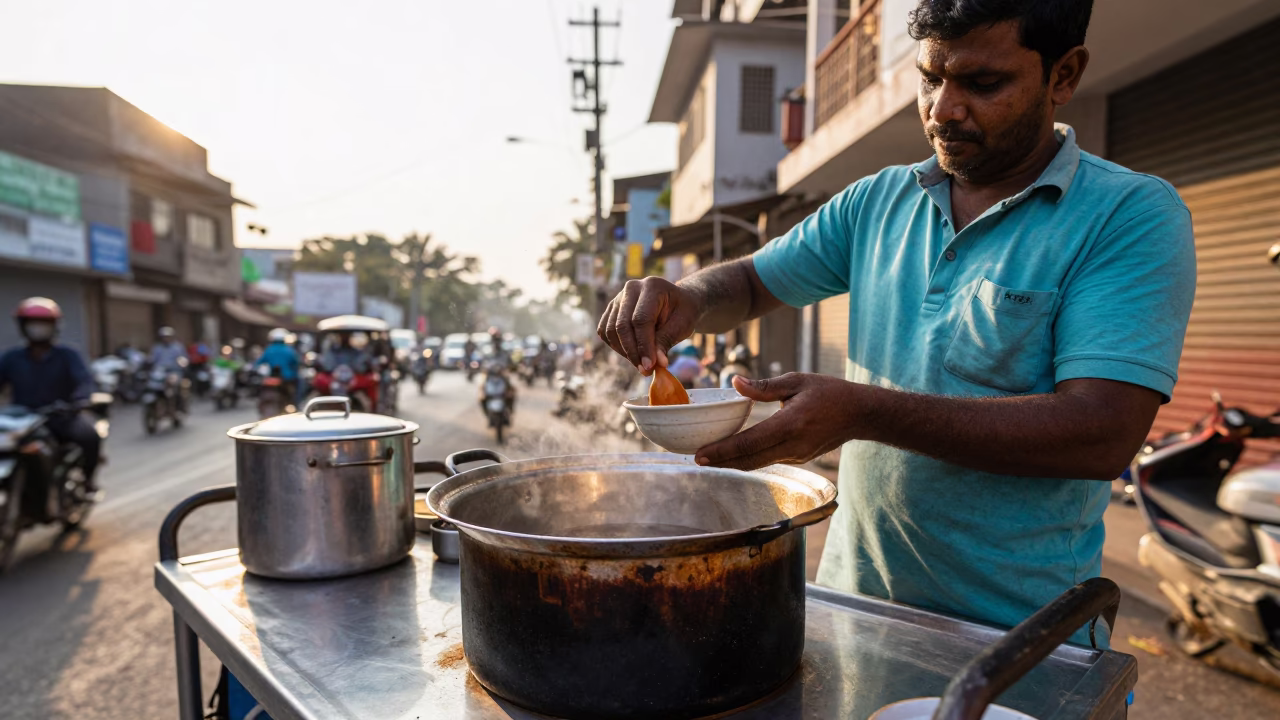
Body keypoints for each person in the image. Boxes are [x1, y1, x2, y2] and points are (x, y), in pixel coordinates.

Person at [597, 0, 1196, 641]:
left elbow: (1102, 433)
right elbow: (748, 282)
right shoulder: (877, 201)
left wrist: (865, 412)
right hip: (851, 613)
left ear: (1064, 76)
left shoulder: (1128, 215)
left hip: (1017, 642)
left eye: (982, 84)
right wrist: (685, 296)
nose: (942, 109)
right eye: (931, 77)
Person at [0, 298, 101, 492]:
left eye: (43, 324)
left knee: (90, 437)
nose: (37, 329)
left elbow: (84, 381)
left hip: (62, 416)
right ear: (23, 326)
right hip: (23, 421)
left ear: (54, 326)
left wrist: (80, 400)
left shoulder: (68, 355)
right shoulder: (11, 357)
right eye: (32, 324)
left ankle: (88, 481)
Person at [256, 328, 301, 405]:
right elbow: (296, 363)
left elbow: (259, 362)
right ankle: (295, 404)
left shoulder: (268, 350)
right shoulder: (289, 350)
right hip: (287, 378)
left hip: (271, 377)